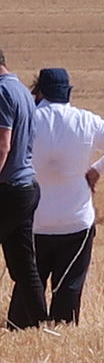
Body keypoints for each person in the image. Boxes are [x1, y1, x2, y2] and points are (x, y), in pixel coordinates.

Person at [25, 68, 104, 325]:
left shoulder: (28, 119)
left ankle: (25, 332)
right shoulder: (86, 120)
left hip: (34, 220)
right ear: (68, 93)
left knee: (29, 287)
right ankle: (61, 336)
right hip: (76, 221)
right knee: (69, 289)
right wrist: (96, 170)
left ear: (38, 91)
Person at [0, 50, 47, 330]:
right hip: (25, 187)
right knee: (23, 265)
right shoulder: (19, 90)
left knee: (24, 265)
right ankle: (41, 324)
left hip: (7, 188)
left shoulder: (2, 93)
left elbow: (2, 144)